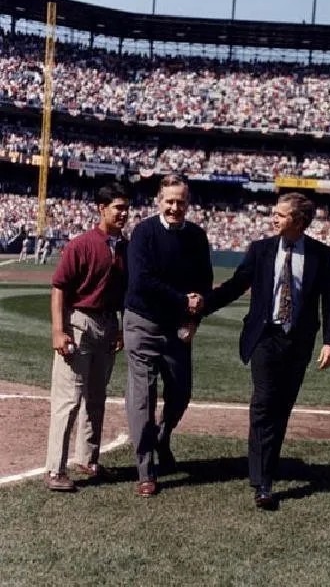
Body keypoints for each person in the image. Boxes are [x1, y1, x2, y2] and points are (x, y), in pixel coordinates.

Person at [192, 192, 330, 509]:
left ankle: (266, 467)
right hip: (264, 337)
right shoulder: (261, 250)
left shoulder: (320, 254)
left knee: (281, 408)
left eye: (280, 214)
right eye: (273, 213)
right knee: (263, 403)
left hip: (298, 342)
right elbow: (236, 285)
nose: (273, 218)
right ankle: (263, 482)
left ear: (299, 221)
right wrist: (204, 305)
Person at [124, 174, 213, 498]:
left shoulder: (196, 237)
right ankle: (146, 470)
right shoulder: (144, 232)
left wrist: (195, 319)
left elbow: (204, 284)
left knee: (181, 393)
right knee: (142, 399)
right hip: (143, 324)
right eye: (170, 201)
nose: (175, 207)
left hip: (178, 329)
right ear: (159, 201)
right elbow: (141, 281)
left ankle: (163, 437)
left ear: (188, 203)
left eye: (181, 202)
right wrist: (182, 301)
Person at [44, 182, 129, 491]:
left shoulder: (125, 248)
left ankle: (87, 459)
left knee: (96, 398)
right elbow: (59, 287)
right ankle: (55, 470)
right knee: (69, 400)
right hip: (78, 323)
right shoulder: (81, 244)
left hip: (106, 325)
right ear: (101, 209)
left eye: (125, 208)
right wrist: (58, 329)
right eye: (118, 207)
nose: (124, 213)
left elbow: (121, 294)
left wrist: (119, 327)